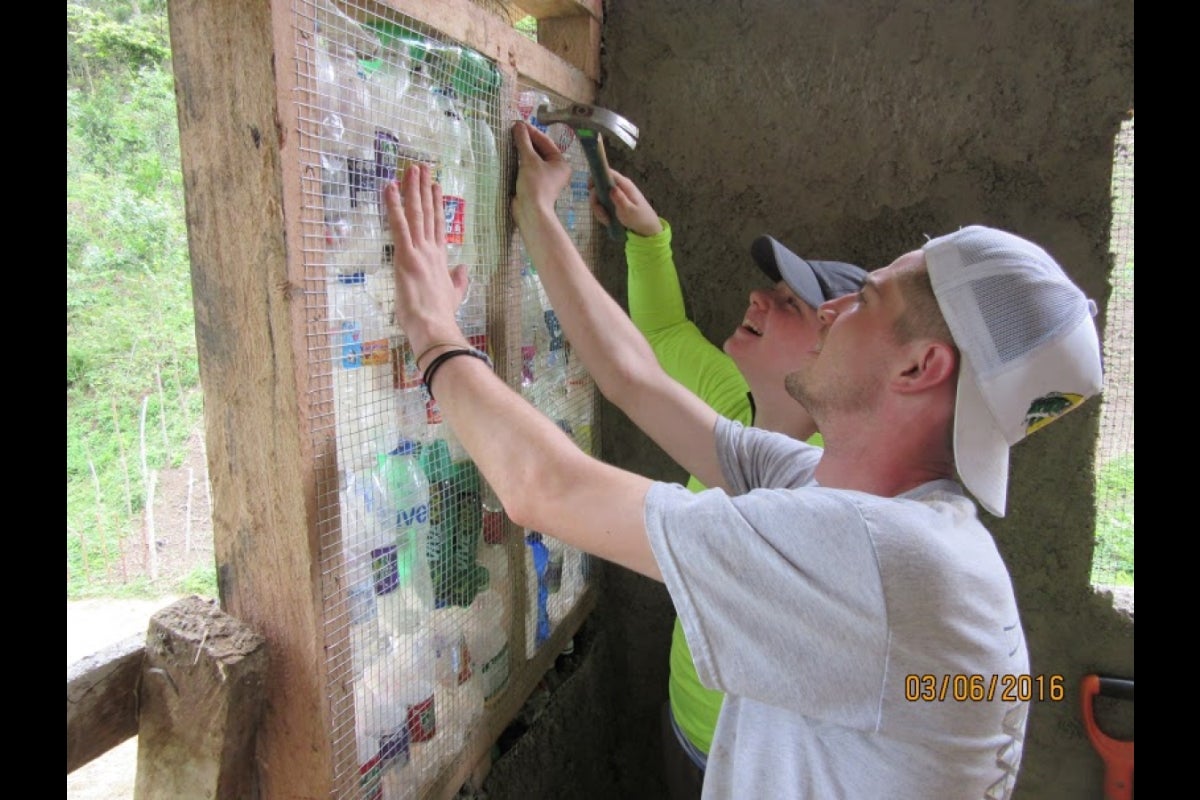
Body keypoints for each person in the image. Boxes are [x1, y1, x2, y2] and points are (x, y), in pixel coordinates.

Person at [381, 119, 1104, 798]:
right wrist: (540, 216)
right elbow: (640, 381)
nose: (831, 308)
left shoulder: (881, 558)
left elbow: (543, 488)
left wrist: (432, 333)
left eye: (869, 299)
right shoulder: (875, 507)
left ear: (920, 368)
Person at [590, 168, 867, 798]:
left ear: (833, 354)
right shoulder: (731, 403)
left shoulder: (833, 485)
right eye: (770, 290)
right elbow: (660, 336)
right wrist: (648, 237)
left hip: (759, 770)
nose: (757, 299)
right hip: (687, 720)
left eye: (789, 303)